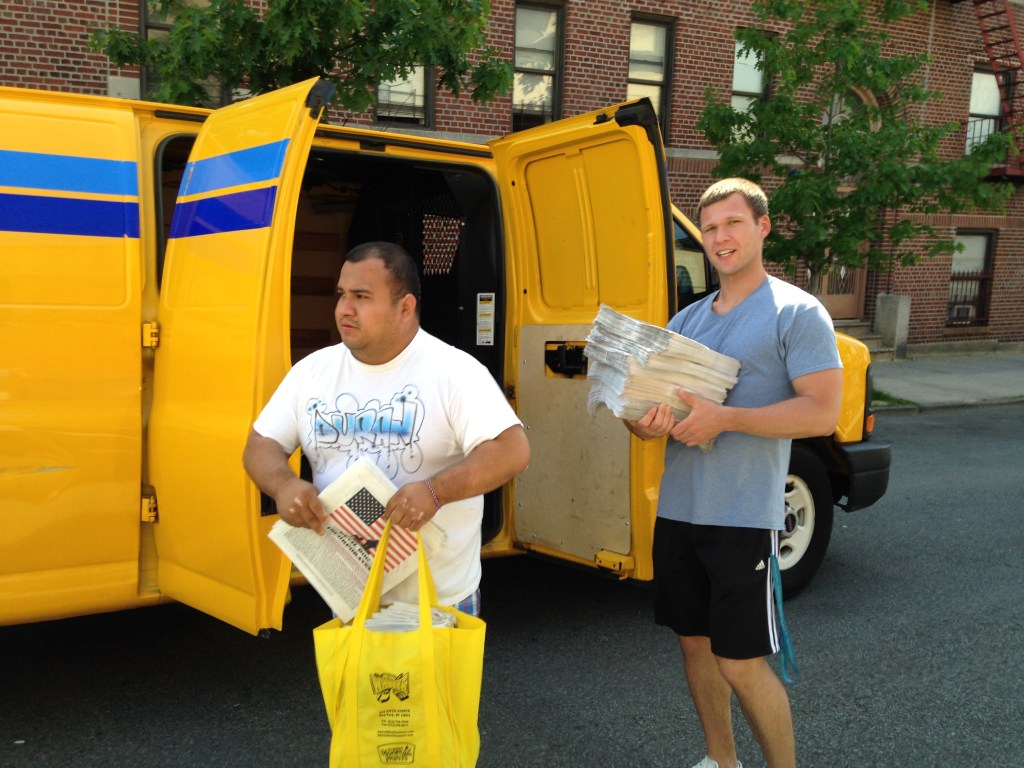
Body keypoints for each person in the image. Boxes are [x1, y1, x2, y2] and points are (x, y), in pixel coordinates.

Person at [623, 179, 843, 768]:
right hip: (680, 509)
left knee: (740, 662)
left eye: (733, 224)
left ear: (762, 227)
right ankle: (722, 762)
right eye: (712, 227)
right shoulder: (686, 321)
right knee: (694, 646)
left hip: (744, 516)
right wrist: (645, 422)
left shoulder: (796, 312)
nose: (721, 237)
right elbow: (650, 419)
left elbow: (823, 411)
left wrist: (727, 418)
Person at [243, 241, 530, 614]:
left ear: (405, 307)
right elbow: (261, 445)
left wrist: (435, 491)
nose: (344, 309)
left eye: (361, 297)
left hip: (437, 602)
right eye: (342, 295)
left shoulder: (455, 373)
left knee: (433, 678)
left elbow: (512, 450)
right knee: (351, 678)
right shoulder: (311, 373)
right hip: (349, 596)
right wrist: (284, 486)